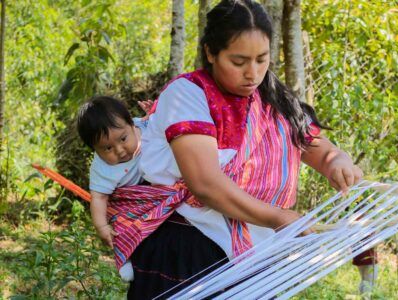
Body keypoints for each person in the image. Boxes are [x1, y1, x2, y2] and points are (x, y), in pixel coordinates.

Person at [107, 1, 363, 298]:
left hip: (252, 253)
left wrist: (338, 163)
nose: (252, 74)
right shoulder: (188, 95)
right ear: (211, 53)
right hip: (189, 248)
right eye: (239, 62)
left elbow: (323, 152)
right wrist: (278, 217)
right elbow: (205, 184)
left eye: (261, 60)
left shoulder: (277, 102)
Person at [76, 96, 152, 282]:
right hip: (130, 202)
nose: (119, 150)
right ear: (95, 150)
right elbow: (99, 198)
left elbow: (165, 125)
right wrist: (101, 226)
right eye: (108, 148)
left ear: (131, 125)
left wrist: (154, 113)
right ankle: (125, 257)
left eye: (123, 139)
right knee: (121, 227)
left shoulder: (144, 126)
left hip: (157, 185)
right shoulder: (102, 169)